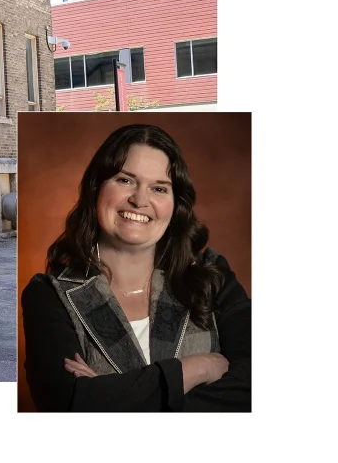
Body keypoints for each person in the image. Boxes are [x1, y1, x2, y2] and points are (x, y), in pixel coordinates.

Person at [20, 124, 251, 412]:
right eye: (125, 180)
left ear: (175, 205)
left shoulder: (212, 277)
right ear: (96, 188)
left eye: (159, 188)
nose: (140, 200)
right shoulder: (48, 295)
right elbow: (64, 405)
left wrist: (109, 396)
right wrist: (193, 370)